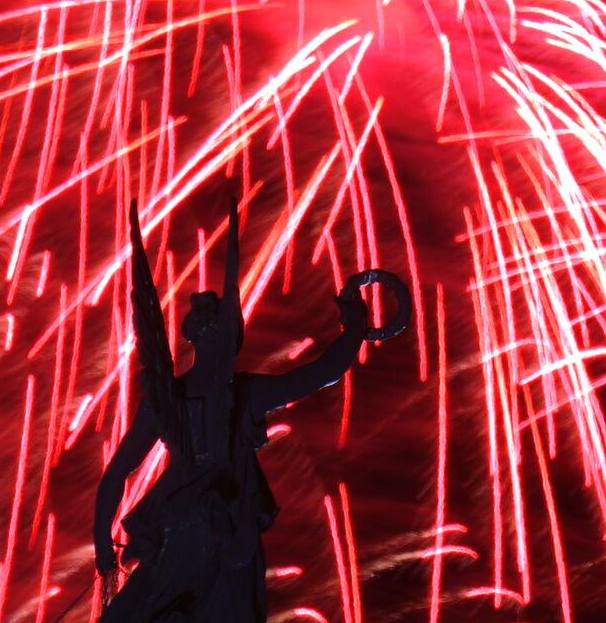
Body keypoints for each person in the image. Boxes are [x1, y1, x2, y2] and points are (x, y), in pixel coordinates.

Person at [92, 200, 404, 621]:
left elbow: (116, 472)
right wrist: (353, 330)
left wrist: (101, 543)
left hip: (176, 529)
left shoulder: (169, 399)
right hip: (226, 533)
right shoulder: (247, 393)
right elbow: (321, 374)